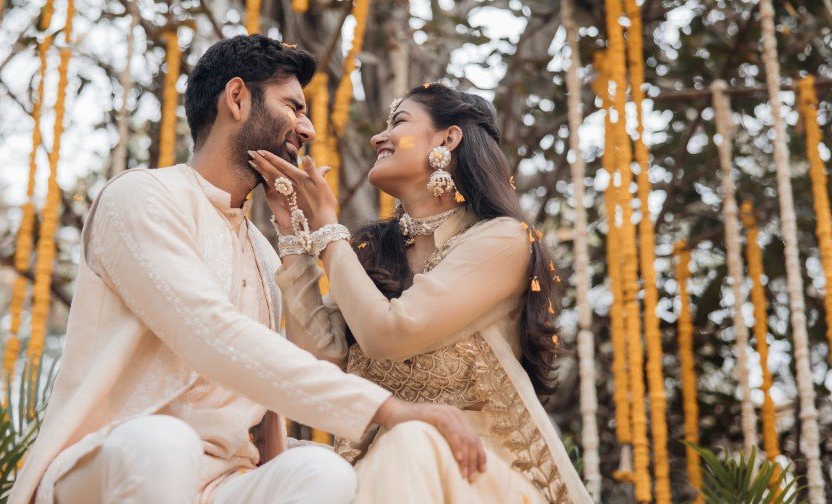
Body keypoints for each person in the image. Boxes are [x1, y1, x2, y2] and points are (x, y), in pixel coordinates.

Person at [8, 36, 485, 504]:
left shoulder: (260, 249)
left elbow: (262, 402)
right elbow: (213, 335)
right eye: (293, 107)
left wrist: (299, 239)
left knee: (320, 470)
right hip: (110, 467)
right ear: (237, 98)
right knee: (163, 444)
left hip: (223, 483)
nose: (308, 129)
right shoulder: (141, 197)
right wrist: (389, 410)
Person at [250, 82, 593, 503]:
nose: (379, 138)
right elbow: (317, 358)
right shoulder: (375, 250)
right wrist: (292, 232)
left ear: (448, 139)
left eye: (398, 122)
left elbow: (390, 333)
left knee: (411, 440)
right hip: (382, 471)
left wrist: (327, 231)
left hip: (475, 475)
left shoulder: (503, 240)